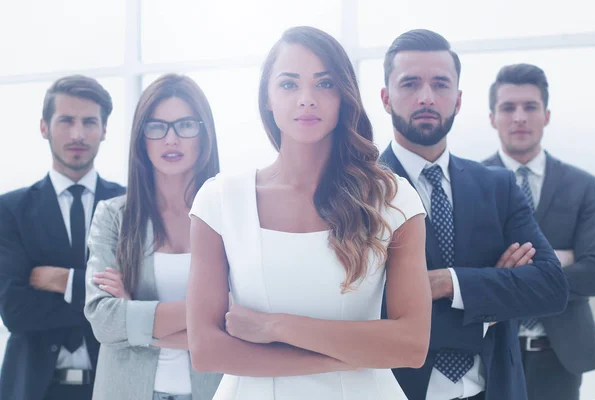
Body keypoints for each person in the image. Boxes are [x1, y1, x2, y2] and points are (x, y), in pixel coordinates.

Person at [186, 26, 431, 400]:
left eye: (325, 84)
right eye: (288, 84)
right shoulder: (219, 200)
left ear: (344, 96)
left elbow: (411, 345)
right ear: (266, 98)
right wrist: (350, 356)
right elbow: (206, 350)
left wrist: (275, 326)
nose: (306, 99)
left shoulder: (393, 199)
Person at [378, 29, 569, 400]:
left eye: (441, 84)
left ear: (459, 99)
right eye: (410, 83)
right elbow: (368, 312)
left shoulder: (498, 186)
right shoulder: (361, 192)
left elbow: (550, 287)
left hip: (497, 390)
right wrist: (488, 307)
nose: (427, 97)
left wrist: (449, 282)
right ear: (386, 98)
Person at [84, 74, 222, 400]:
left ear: (204, 135)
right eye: (157, 127)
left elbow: (244, 323)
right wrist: (206, 318)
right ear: (141, 139)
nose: (170, 139)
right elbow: (104, 321)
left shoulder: (228, 216)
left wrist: (136, 314)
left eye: (186, 125)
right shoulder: (114, 216)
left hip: (214, 391)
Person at [0, 75, 124, 400]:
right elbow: (14, 310)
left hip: (112, 385)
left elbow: (136, 295)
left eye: (89, 122)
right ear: (44, 127)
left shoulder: (129, 206)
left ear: (105, 129)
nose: (78, 134)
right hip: (32, 389)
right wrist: (105, 301)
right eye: (66, 120)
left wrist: (65, 281)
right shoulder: (10, 209)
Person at [483, 63, 595, 400]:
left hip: (561, 356)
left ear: (546, 115)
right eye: (508, 107)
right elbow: (468, 270)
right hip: (491, 354)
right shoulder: (471, 183)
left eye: (530, 107)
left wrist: (509, 274)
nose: (519, 117)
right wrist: (556, 262)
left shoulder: (582, 185)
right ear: (493, 118)